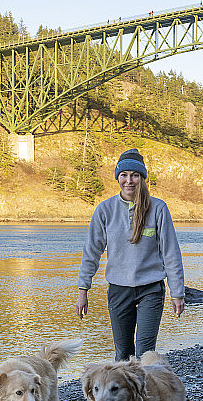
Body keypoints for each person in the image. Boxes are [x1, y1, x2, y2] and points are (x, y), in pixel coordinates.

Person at [76, 148, 185, 360]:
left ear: (142, 178)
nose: (129, 181)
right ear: (118, 177)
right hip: (119, 290)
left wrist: (177, 292)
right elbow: (92, 252)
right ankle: (125, 394)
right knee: (123, 354)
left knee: (145, 354)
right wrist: (83, 290)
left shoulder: (158, 209)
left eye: (135, 175)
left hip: (151, 289)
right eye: (124, 175)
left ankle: (144, 393)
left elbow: (171, 253)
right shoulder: (104, 210)